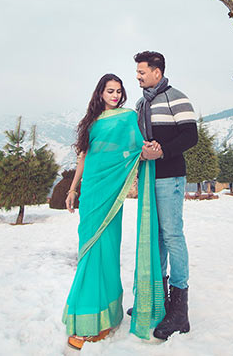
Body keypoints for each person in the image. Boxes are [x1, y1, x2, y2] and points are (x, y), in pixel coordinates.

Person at [62, 74, 165, 350]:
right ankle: (89, 315)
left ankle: (103, 318)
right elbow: (84, 157)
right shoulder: (90, 122)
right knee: (87, 251)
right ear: (100, 93)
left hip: (111, 192)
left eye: (119, 91)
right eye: (110, 91)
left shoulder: (127, 118)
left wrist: (150, 151)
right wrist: (72, 189)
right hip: (91, 192)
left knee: (105, 250)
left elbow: (134, 149)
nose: (115, 95)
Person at [134, 51, 198, 340]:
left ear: (157, 72)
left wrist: (162, 151)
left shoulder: (176, 98)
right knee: (155, 236)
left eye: (142, 72)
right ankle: (157, 301)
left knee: (172, 235)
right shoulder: (141, 104)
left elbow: (190, 136)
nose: (137, 76)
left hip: (170, 176)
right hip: (148, 177)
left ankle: (179, 311)